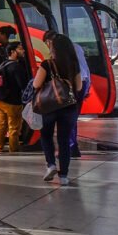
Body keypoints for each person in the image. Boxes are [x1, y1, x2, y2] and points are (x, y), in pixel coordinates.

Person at [33, 33, 83, 185]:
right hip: (68, 107)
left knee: (46, 136)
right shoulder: (74, 65)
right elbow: (79, 87)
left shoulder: (47, 64)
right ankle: (64, 176)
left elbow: (36, 84)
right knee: (63, 140)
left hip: (48, 106)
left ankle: (51, 164)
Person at [44, 30, 91, 158]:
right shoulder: (76, 47)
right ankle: (72, 146)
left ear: (49, 41)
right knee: (72, 116)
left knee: (65, 117)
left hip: (68, 85)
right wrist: (87, 87)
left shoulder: (57, 51)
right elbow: (85, 68)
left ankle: (70, 147)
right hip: (82, 82)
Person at [0, 42, 30, 153]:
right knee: (14, 128)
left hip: (0, 100)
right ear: (13, 52)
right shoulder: (16, 67)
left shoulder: (2, 64)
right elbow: (23, 85)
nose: (23, 51)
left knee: (1, 125)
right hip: (13, 102)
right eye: (20, 49)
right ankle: (13, 149)